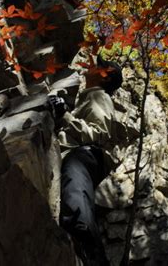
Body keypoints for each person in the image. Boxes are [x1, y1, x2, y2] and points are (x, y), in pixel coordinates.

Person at [48, 56, 124, 266]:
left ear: (105, 76)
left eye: (97, 66)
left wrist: (65, 115)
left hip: (84, 155)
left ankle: (91, 251)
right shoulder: (90, 97)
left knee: (76, 198)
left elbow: (97, 134)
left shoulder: (99, 96)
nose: (91, 66)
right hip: (83, 155)